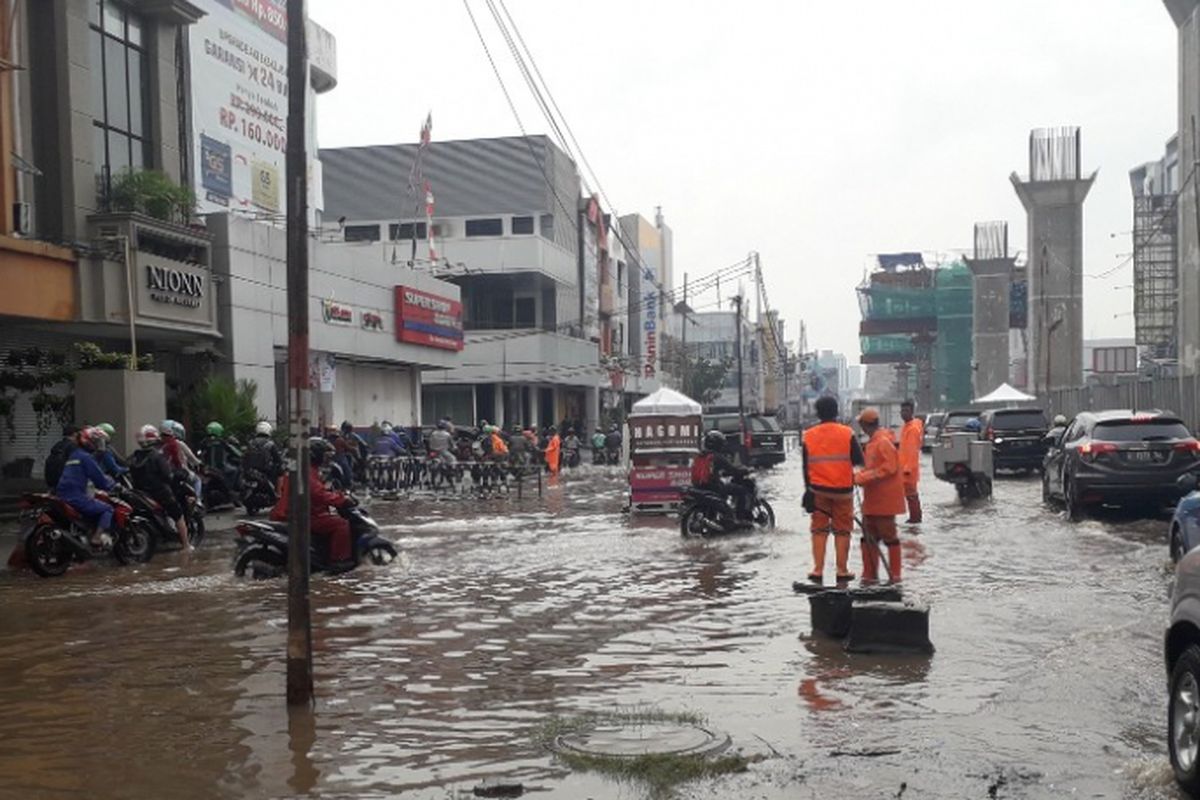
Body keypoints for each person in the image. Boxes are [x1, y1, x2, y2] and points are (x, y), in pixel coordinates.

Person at [801, 395, 865, 585]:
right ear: (836, 412)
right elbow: (859, 460)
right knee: (842, 531)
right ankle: (842, 570)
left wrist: (808, 490)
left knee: (819, 530)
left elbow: (805, 467)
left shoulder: (808, 435)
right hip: (843, 491)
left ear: (817, 413)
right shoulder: (847, 433)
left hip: (818, 490)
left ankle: (818, 570)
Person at [271, 437, 353, 569]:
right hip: (301, 514)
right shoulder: (306, 471)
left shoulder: (303, 467)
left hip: (295, 511)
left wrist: (337, 495)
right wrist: (341, 500)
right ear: (316, 455)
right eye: (325, 456)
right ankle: (339, 561)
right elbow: (318, 494)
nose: (327, 459)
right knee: (341, 524)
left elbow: (319, 491)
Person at [854, 407, 906, 584]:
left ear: (864, 425)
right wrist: (862, 476)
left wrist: (863, 477)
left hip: (884, 501)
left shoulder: (882, 442)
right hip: (873, 500)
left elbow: (889, 468)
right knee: (868, 538)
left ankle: (895, 577)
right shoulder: (874, 442)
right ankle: (869, 575)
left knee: (889, 537)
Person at [129, 424, 190, 550]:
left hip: (140, 493)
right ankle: (186, 545)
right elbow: (168, 475)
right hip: (160, 492)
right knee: (178, 514)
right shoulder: (157, 455)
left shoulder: (135, 456)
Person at [55, 427, 117, 547]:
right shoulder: (86, 458)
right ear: (90, 442)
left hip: (61, 495)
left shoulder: (74, 455)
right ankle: (97, 538)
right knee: (107, 509)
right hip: (75, 496)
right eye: (97, 442)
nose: (99, 445)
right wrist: (113, 485)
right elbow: (100, 480)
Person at [692, 429, 753, 518]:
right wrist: (745, 471)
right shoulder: (717, 457)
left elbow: (715, 470)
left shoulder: (701, 455)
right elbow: (732, 470)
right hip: (714, 487)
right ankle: (740, 517)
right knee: (741, 491)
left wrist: (725, 473)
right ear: (718, 444)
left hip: (699, 486)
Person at [899, 400, 924, 524]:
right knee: (910, 495)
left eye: (906, 411)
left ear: (912, 412)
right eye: (902, 411)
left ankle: (915, 519)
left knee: (911, 495)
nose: (904, 413)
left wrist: (907, 469)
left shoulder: (912, 429)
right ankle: (915, 518)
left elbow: (912, 451)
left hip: (908, 470)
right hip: (905, 468)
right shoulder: (907, 427)